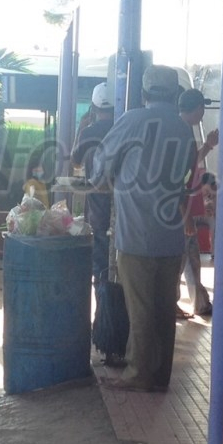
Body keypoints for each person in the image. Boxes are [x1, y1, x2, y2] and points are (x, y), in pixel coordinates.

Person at [88, 65, 196, 391]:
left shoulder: (133, 120)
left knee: (140, 310)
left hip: (136, 233)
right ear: (175, 94)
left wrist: (106, 179)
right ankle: (159, 376)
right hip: (171, 236)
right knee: (164, 311)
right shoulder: (183, 129)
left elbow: (101, 166)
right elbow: (186, 174)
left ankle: (138, 374)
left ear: (144, 93)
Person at [177, 87, 219, 318]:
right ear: (199, 108)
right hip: (182, 206)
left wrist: (208, 145)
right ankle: (191, 302)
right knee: (183, 255)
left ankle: (200, 302)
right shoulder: (181, 131)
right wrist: (185, 215)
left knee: (188, 254)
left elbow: (192, 163)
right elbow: (180, 177)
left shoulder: (182, 128)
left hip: (183, 205)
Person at [72, 82, 116, 287]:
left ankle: (102, 302)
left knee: (100, 263)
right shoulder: (123, 128)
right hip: (125, 208)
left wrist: (81, 128)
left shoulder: (88, 132)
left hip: (98, 207)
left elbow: (75, 162)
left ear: (94, 108)